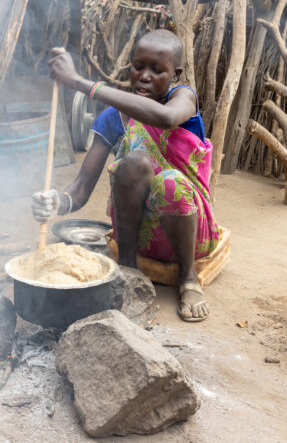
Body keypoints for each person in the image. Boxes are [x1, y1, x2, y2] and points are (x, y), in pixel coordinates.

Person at [32, 29, 220, 322]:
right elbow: (80, 189)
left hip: (191, 234)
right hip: (137, 235)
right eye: (138, 66)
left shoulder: (183, 98)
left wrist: (81, 84)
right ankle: (129, 269)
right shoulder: (111, 117)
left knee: (169, 183)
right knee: (132, 163)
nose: (144, 76)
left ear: (175, 73)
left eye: (157, 70)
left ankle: (188, 278)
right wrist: (57, 202)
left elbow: (165, 118)